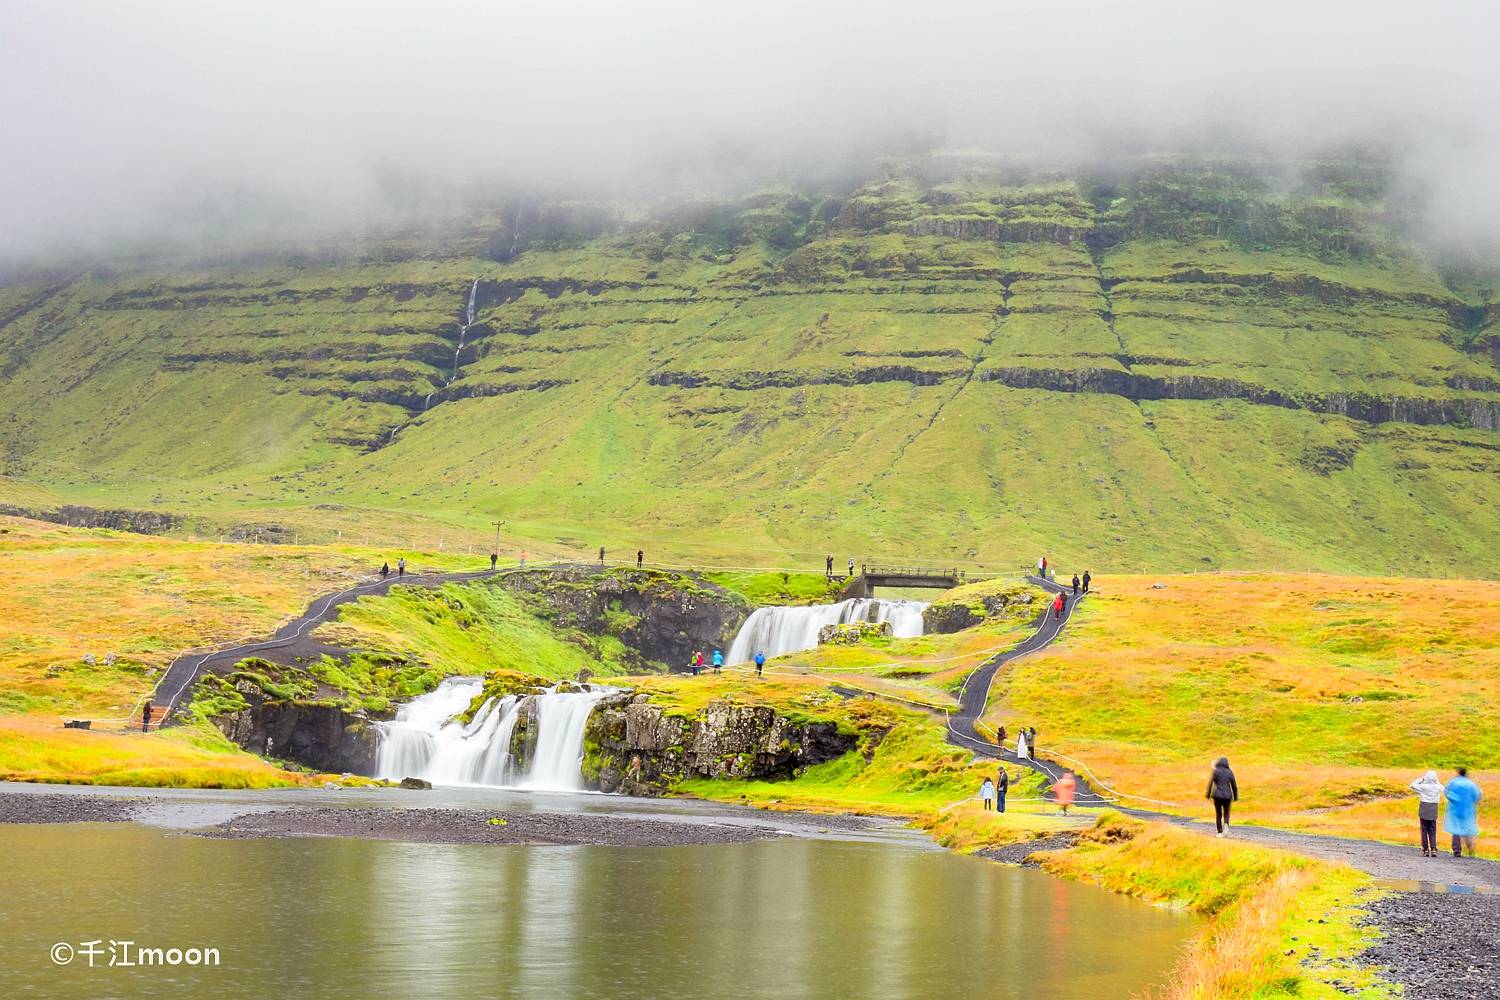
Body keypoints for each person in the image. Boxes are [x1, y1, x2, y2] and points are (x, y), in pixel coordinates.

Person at [1445, 767, 1483, 858]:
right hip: (1468, 810)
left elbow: (1448, 793)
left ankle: (1457, 850)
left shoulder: (1453, 782)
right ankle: (1470, 848)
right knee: (1468, 828)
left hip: (1455, 809)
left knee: (1456, 829)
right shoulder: (1471, 784)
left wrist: (1455, 800)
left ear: (1458, 773)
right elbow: (1477, 796)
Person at [1410, 771, 1445, 857]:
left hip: (1424, 807)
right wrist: (1437, 782)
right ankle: (1433, 849)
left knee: (1424, 830)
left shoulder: (1423, 787)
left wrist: (1421, 779)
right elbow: (1443, 788)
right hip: (1434, 808)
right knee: (1432, 830)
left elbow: (1412, 785)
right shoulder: (1438, 787)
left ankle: (1425, 850)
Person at [1207, 756, 1239, 837]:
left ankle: (1219, 832)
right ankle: (1226, 827)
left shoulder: (1216, 771)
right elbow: (1234, 785)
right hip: (1228, 796)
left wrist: (1208, 794)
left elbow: (1211, 783)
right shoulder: (1229, 772)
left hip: (1217, 796)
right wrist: (1235, 796)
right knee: (1226, 812)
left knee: (1218, 814)